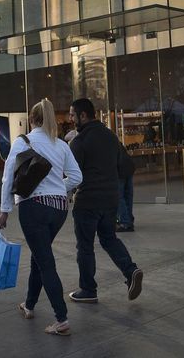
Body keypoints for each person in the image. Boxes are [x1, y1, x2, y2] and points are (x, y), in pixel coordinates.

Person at [0, 98, 82, 337]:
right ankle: (29, 304)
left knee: (45, 262)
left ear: (32, 120)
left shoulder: (23, 142)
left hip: (34, 207)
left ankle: (61, 318)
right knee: (39, 255)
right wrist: (58, 187)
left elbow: (7, 179)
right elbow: (76, 178)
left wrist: (5, 210)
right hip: (59, 209)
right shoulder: (61, 145)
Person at [68, 98, 144, 303]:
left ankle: (88, 289)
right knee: (109, 239)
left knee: (85, 246)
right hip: (110, 199)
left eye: (73, 115)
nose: (71, 118)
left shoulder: (80, 141)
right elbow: (122, 167)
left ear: (83, 115)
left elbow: (73, 174)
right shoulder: (111, 137)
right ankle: (131, 271)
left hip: (88, 201)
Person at [116, 145, 136, 232]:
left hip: (119, 169)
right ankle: (129, 220)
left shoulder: (103, 142)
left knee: (119, 197)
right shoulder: (114, 140)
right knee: (128, 195)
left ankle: (125, 222)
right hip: (129, 167)